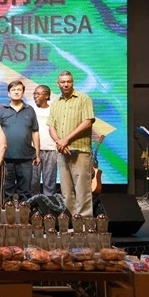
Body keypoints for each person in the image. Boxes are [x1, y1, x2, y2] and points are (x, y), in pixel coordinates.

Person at [48, 70, 96, 217]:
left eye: (68, 81)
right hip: (62, 151)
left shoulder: (83, 99)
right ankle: (70, 222)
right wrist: (59, 143)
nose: (66, 84)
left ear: (73, 82)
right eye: (63, 82)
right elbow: (51, 126)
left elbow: (87, 122)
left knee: (82, 190)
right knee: (66, 191)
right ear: (58, 84)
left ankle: (85, 223)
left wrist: (66, 140)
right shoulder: (56, 102)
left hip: (80, 150)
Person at [0, 80, 40, 202]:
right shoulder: (2, 110)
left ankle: (24, 213)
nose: (16, 92)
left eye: (19, 90)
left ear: (23, 93)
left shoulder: (30, 110)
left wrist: (37, 153)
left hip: (26, 157)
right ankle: (6, 213)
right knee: (6, 190)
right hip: (6, 157)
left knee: (25, 192)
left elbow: (35, 132)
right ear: (8, 93)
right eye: (13, 90)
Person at [30, 85, 58, 196]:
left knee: (49, 183)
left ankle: (48, 206)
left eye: (38, 94)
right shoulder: (30, 110)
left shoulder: (54, 110)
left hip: (51, 150)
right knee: (33, 182)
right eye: (34, 94)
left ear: (46, 96)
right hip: (34, 151)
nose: (35, 96)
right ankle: (33, 205)